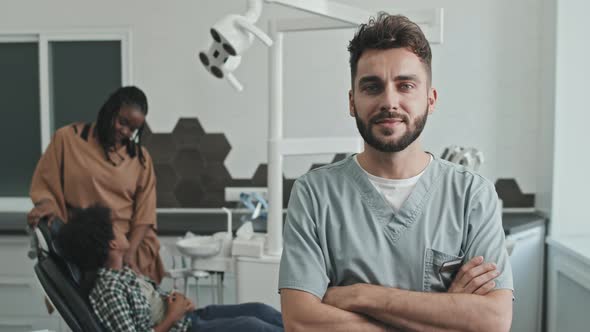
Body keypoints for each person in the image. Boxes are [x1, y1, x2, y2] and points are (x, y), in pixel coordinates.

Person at [278, 13, 514, 332]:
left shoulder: (472, 195)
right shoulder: (314, 194)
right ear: (352, 102)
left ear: (430, 99)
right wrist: (446, 313)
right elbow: (301, 321)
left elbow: (493, 321)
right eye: (372, 87)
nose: (390, 101)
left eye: (405, 86)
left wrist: (362, 296)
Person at [57, 204, 284, 332]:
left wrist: (178, 302)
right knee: (253, 327)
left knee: (260, 310)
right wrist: (173, 315)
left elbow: (152, 297)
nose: (123, 230)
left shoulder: (123, 272)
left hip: (187, 318)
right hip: (180, 328)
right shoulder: (108, 291)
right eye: (116, 228)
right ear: (112, 244)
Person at [28, 86, 165, 283]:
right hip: (84, 246)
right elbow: (45, 186)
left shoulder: (141, 159)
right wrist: (47, 204)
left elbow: (145, 214)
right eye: (122, 122)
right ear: (109, 110)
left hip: (125, 247)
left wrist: (128, 254)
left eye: (133, 129)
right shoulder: (68, 139)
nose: (125, 131)